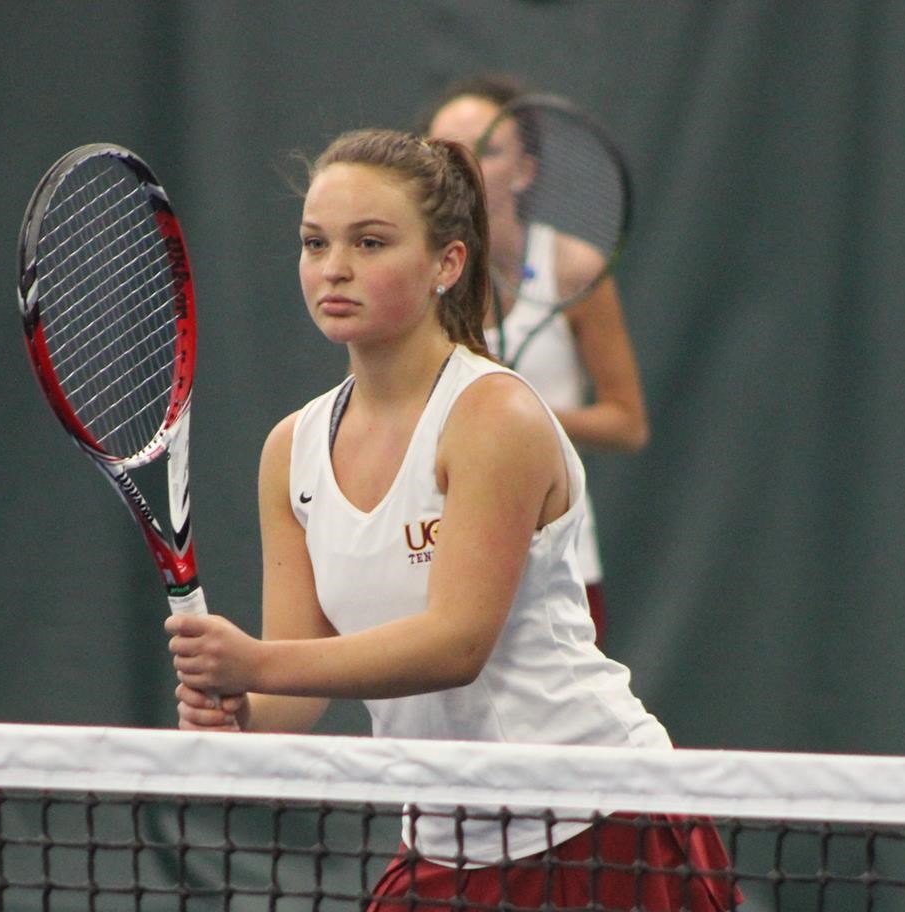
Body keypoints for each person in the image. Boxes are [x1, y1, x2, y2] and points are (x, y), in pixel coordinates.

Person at [165, 129, 736, 910]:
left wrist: (252, 664)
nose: (334, 267)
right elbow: (297, 684)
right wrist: (238, 718)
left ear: (447, 262)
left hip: (600, 825)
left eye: (370, 242)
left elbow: (455, 642)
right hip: (442, 841)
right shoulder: (289, 451)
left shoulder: (493, 416)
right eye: (314, 242)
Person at [424, 73, 649, 644]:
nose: (462, 167)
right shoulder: (415, 274)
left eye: (487, 150)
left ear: (524, 171)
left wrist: (520, 418)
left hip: (556, 556)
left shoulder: (573, 268)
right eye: (444, 152)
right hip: (435, 550)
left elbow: (627, 423)